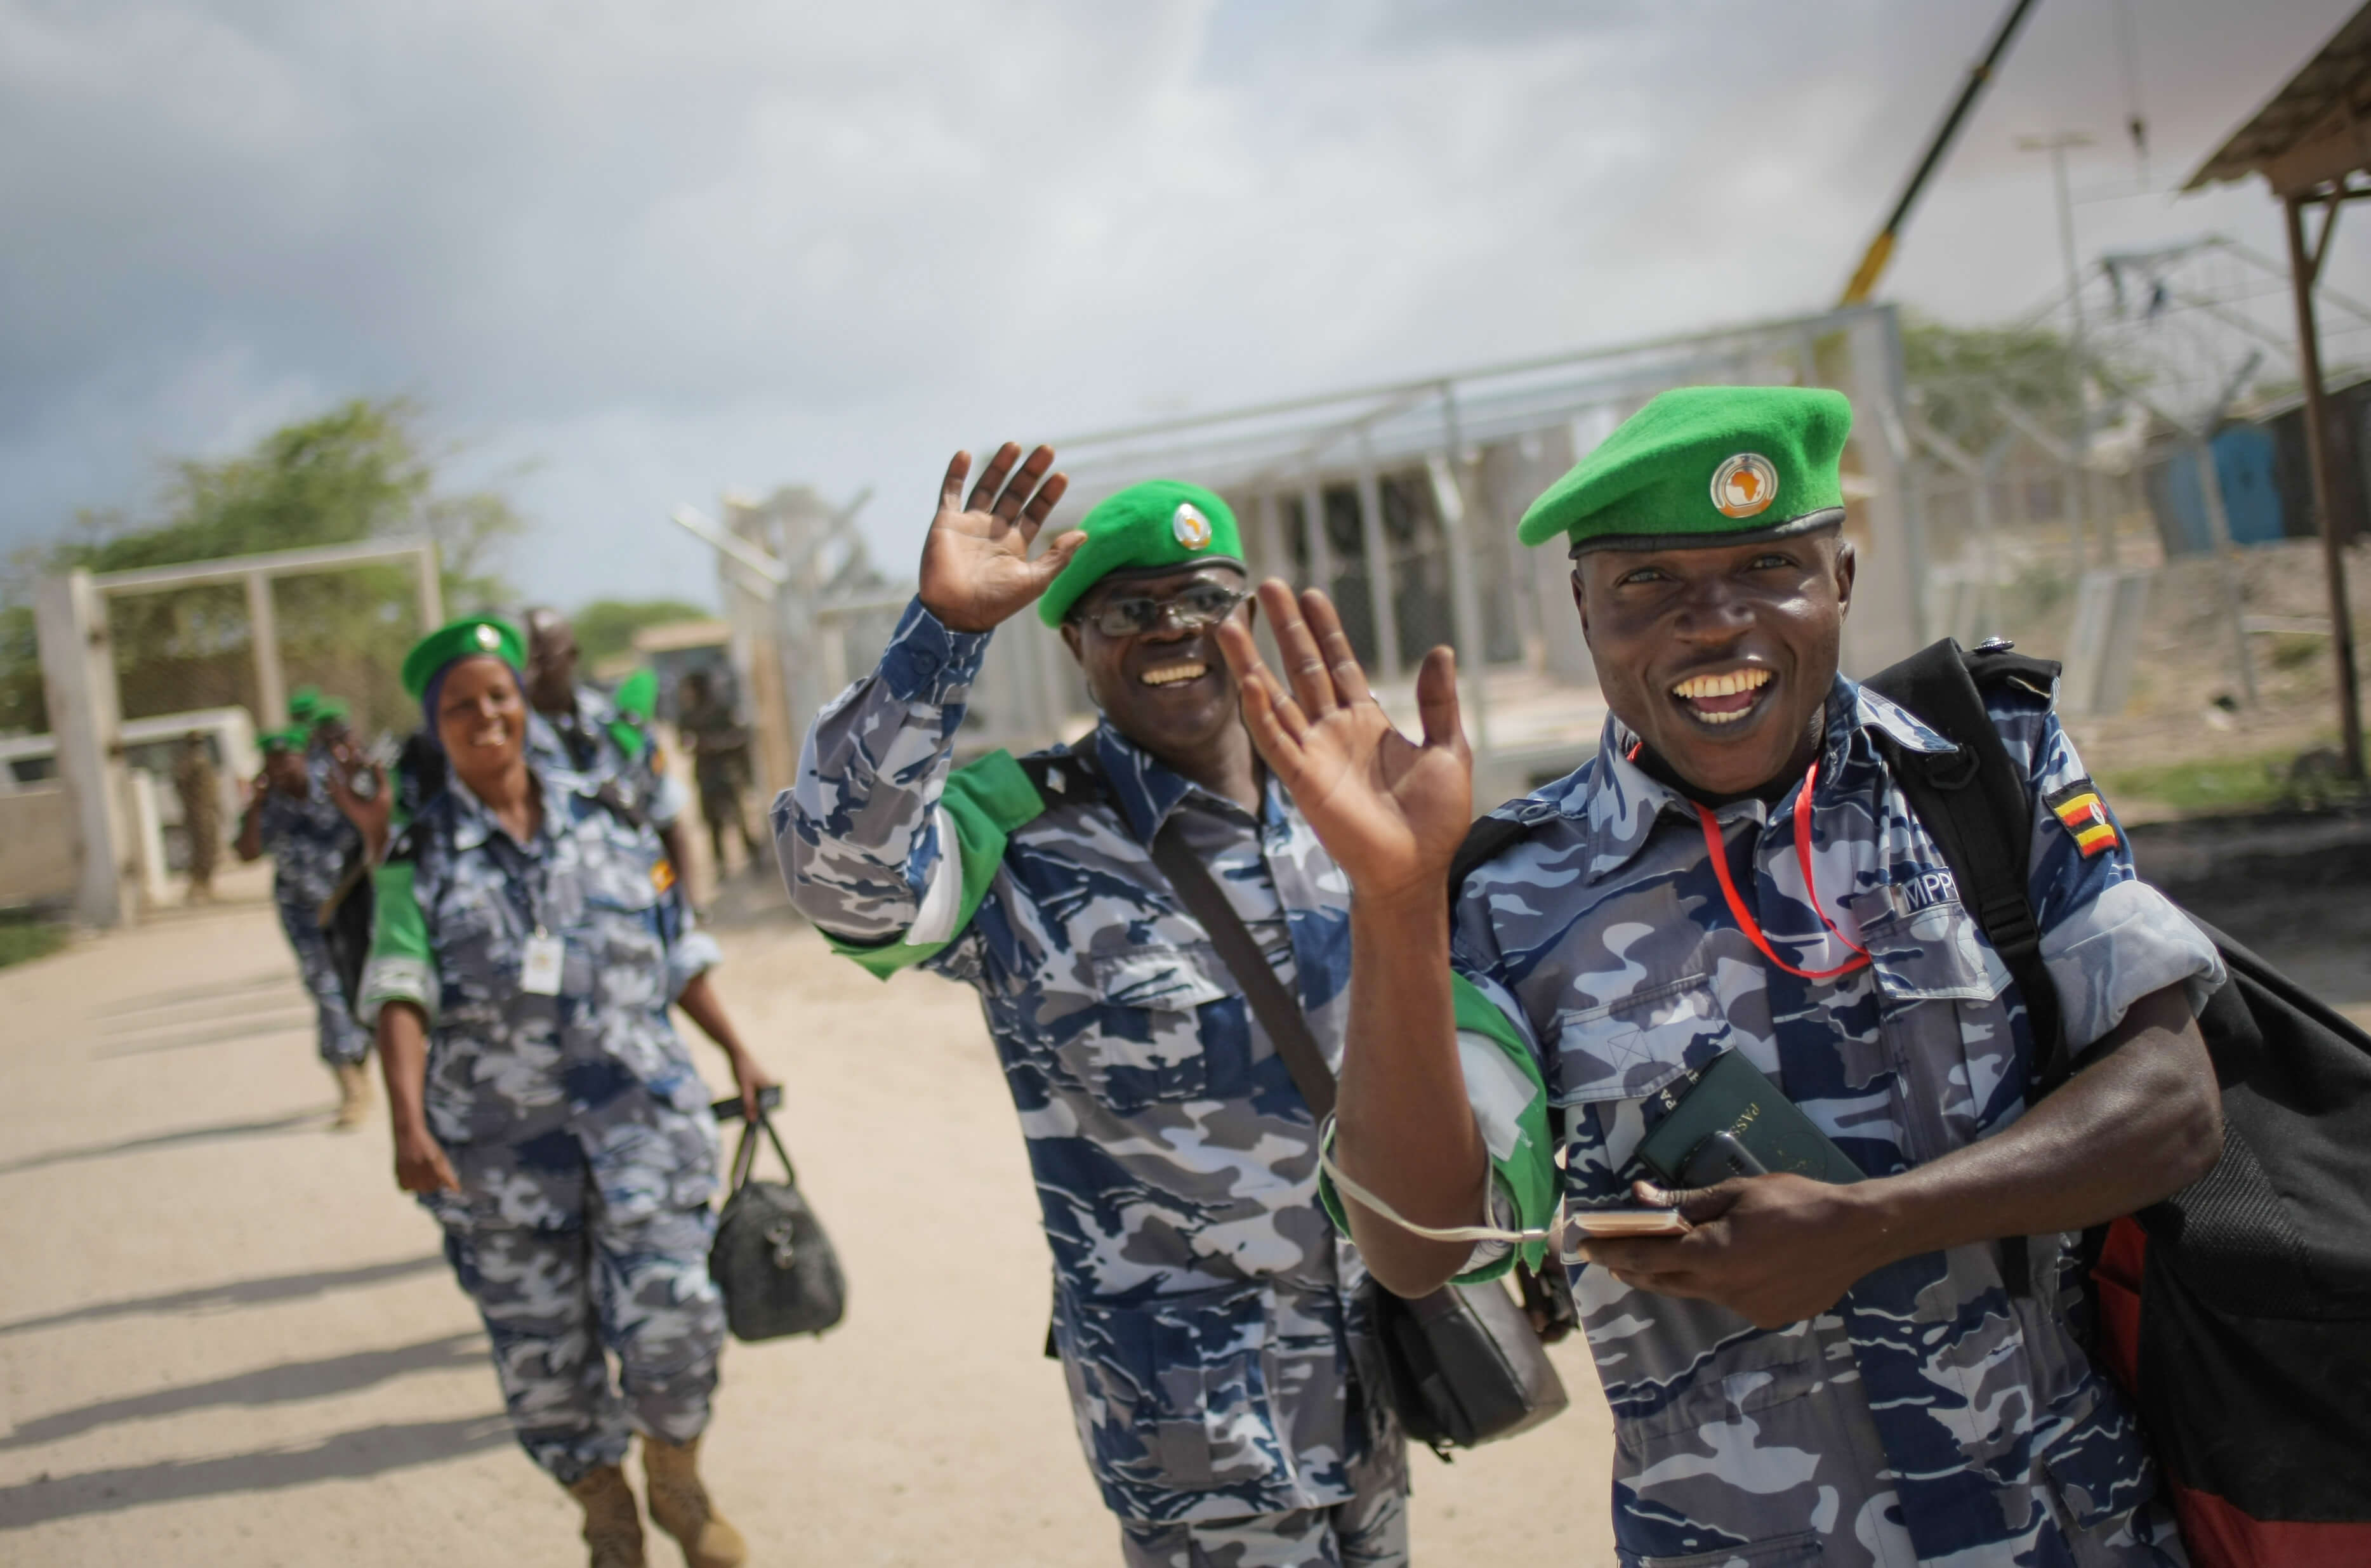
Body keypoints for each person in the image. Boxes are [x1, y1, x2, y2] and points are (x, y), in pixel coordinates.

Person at [1214, 386, 2227, 1567]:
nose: (1714, 622)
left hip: (2069, 1528)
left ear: (1839, 580)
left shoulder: (1987, 771)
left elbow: (2172, 1105)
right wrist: (1396, 904)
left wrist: (1871, 1223)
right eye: (1649, 583)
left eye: (1766, 565)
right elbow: (1419, 1247)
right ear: (1583, 607)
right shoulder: (1504, 895)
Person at [778, 445, 1408, 1567]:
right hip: (1197, 1427)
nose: (1172, 626)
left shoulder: (1342, 805)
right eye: (1129, 608)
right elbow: (843, 883)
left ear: (1247, 620)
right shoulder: (1020, 837)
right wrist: (943, 637)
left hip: (1377, 1374)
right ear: (1074, 642)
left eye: (1203, 598)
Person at [349, 616, 771, 1568]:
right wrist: (408, 1121)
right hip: (501, 1160)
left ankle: (677, 1479)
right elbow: (398, 989)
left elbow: (676, 944)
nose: (486, 715)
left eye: (498, 695)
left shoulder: (618, 818)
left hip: (644, 1131)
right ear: (436, 725)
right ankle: (607, 1514)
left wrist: (738, 1048)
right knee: (544, 1361)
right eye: (461, 705)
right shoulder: (415, 861)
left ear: (521, 704)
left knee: (679, 1319)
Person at [236, 723, 375, 1127]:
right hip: (303, 914)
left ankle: (363, 1064)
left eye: (287, 760)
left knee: (361, 989)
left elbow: (372, 829)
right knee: (327, 990)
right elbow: (247, 853)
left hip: (352, 906)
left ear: (303, 758)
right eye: (272, 763)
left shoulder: (334, 787)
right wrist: (257, 805)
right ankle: (351, 1086)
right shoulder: (270, 805)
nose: (280, 771)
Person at [524, 608, 694, 880]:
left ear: (573, 656)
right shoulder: (507, 747)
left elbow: (666, 823)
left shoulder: (619, 728)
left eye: (544, 659)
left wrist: (687, 909)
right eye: (524, 662)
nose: (532, 673)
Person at [675, 669, 761, 876]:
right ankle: (721, 863)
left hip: (726, 771)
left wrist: (716, 744)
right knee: (712, 821)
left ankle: (753, 854)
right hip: (705, 774)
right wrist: (695, 745)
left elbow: (740, 737)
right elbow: (683, 744)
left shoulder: (721, 711)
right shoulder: (688, 716)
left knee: (738, 817)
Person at [171, 730, 220, 902]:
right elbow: (180, 784)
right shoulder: (189, 762)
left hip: (207, 810)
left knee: (210, 849)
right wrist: (192, 804)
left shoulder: (201, 760)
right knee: (201, 850)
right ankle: (196, 889)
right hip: (198, 811)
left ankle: (206, 888)